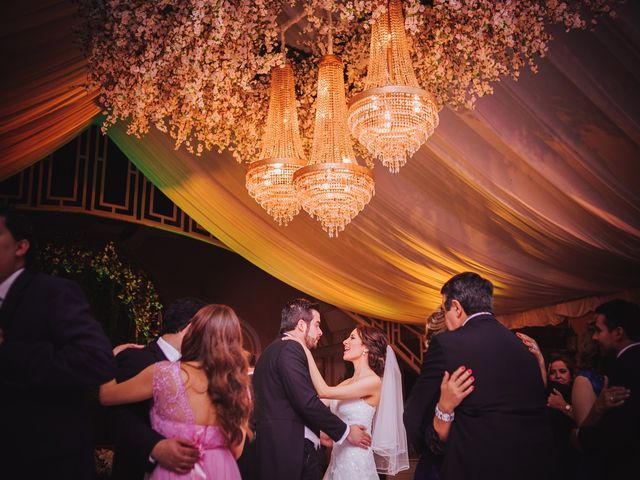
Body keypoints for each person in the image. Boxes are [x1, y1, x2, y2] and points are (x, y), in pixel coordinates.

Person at [403, 272, 554, 480]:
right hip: (531, 466)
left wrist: (436, 436)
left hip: (473, 468)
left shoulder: (447, 345)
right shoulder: (524, 347)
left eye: (444, 309)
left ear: (456, 307)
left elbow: (413, 417)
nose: (445, 318)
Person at [0, 207, 115, 479]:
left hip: (41, 460)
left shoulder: (52, 293)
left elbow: (98, 361)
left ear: (21, 246)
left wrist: (9, 352)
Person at [100, 304, 251, 479]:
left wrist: (109, 359)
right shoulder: (239, 386)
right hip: (221, 471)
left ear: (194, 331)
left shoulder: (164, 373)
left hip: (177, 473)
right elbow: (236, 451)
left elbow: (106, 396)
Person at [252, 298, 372, 480]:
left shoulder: (272, 350)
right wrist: (346, 432)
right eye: (317, 325)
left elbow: (290, 403)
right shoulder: (290, 348)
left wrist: (319, 430)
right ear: (301, 325)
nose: (321, 332)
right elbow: (307, 402)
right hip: (286, 452)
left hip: (276, 449)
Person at [288, 325, 410, 479]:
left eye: (352, 338)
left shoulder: (373, 381)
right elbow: (315, 403)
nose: (345, 342)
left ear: (366, 347)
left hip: (356, 462)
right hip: (336, 461)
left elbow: (324, 391)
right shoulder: (347, 383)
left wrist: (305, 351)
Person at [110, 297, 207, 479]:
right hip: (139, 470)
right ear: (191, 328)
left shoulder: (196, 370)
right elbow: (118, 415)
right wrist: (154, 446)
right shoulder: (136, 358)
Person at [578, 299, 640, 477]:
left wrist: (580, 436)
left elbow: (620, 435)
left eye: (598, 330)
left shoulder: (625, 367)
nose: (595, 337)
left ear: (618, 332)